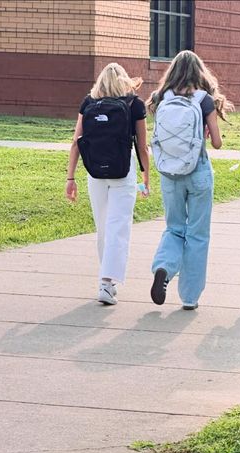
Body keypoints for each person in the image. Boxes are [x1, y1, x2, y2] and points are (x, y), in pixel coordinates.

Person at [147, 50, 233, 310]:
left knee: (173, 228)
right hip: (197, 173)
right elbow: (217, 143)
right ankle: (189, 297)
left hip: (170, 174)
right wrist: (206, 134)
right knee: (197, 235)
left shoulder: (161, 97)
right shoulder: (204, 99)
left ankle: (163, 266)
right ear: (199, 72)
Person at [66, 62, 150, 305]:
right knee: (118, 226)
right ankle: (106, 282)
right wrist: (145, 177)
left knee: (103, 227)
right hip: (123, 172)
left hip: (95, 173)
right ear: (124, 80)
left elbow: (76, 142)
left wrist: (70, 178)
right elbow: (142, 146)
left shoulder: (88, 103)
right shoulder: (134, 104)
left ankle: (106, 282)